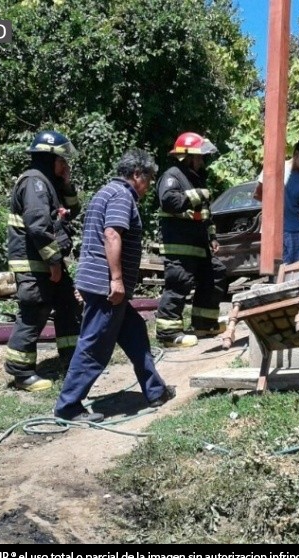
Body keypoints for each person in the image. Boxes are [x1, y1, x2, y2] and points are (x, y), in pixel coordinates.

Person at [54, 149, 175, 423]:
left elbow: (93, 238)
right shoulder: (122, 196)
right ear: (136, 175)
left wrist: (86, 281)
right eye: (149, 178)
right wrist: (117, 279)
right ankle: (68, 406)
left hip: (98, 282)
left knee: (134, 332)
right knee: (94, 346)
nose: (150, 185)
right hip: (107, 287)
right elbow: (110, 235)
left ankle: (155, 390)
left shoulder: (105, 192)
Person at [4, 130, 82, 392]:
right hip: (35, 263)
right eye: (62, 160)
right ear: (49, 158)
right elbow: (37, 226)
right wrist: (54, 262)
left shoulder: (49, 182)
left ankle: (72, 360)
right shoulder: (35, 183)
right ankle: (21, 373)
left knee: (68, 306)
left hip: (47, 261)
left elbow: (75, 208)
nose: (65, 165)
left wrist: (67, 182)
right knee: (34, 313)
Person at [154, 132, 229, 348]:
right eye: (200, 157)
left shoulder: (195, 177)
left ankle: (204, 324)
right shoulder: (173, 176)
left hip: (199, 245)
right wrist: (197, 194)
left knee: (215, 273)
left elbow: (205, 214)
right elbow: (169, 202)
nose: (202, 161)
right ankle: (169, 334)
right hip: (179, 245)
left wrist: (212, 236)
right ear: (187, 156)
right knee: (179, 283)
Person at [253, 137, 299, 264]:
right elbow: (257, 194)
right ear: (296, 154)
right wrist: (274, 209)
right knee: (278, 272)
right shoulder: (274, 168)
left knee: (295, 273)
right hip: (275, 230)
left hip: (297, 231)